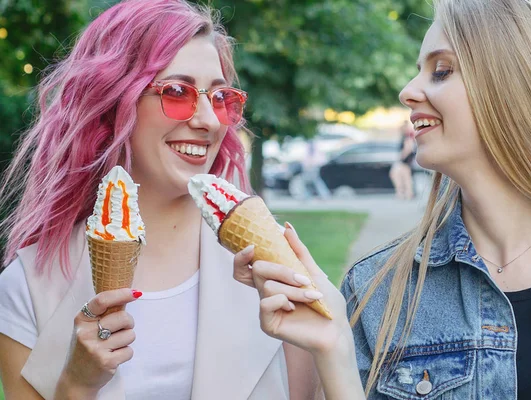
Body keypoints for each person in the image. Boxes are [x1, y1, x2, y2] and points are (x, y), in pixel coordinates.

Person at [233, 0, 531, 399]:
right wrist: (333, 345)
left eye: (441, 70)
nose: (408, 91)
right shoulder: (377, 290)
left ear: (526, 83)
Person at [0, 1, 319, 399]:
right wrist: (76, 385)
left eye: (220, 97)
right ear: (113, 100)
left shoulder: (273, 268)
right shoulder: (27, 287)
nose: (207, 120)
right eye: (177, 92)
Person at [389, 121, 416, 199]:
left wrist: (401, 158)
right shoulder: (407, 136)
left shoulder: (407, 136)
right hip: (406, 161)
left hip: (404, 161)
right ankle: (406, 193)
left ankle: (403, 193)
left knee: (400, 176)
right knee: (405, 177)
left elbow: (408, 148)